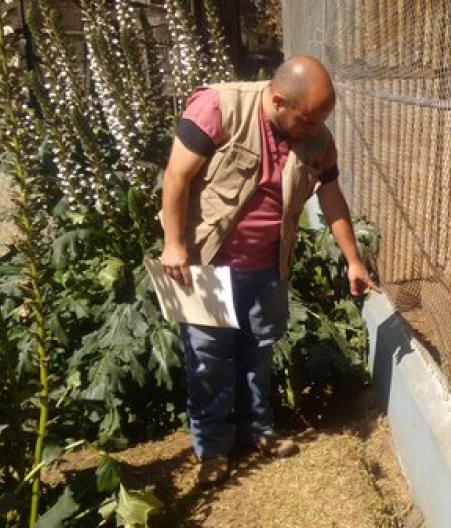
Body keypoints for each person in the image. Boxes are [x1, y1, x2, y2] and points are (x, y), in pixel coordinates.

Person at [159, 55, 377, 486]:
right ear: (278, 101)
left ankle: (258, 431)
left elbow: (332, 199)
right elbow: (176, 176)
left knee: (259, 350)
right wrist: (173, 244)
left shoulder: (318, 140)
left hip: (269, 266)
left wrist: (353, 259)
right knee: (209, 358)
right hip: (207, 264)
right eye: (308, 120)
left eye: (321, 121)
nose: (316, 130)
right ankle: (213, 449)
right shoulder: (219, 107)